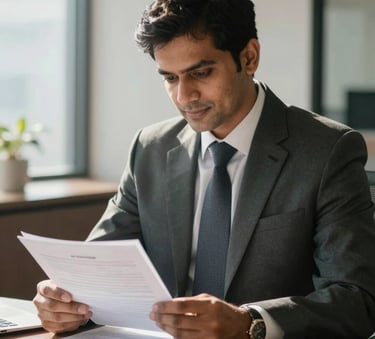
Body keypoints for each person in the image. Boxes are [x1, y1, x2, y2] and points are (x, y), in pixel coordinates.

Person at [33, 0, 375, 338]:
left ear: (249, 57)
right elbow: (95, 269)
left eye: (200, 73)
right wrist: (64, 301)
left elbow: (356, 300)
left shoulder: (327, 150)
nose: (185, 96)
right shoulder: (150, 148)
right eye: (169, 78)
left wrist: (249, 322)